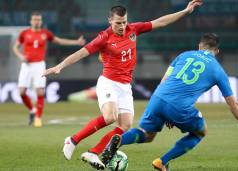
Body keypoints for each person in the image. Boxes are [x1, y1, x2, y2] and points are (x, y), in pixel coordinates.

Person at [43, 1, 203, 170]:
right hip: (108, 83)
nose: (122, 26)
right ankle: (73, 140)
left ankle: (93, 152)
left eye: (124, 22)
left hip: (125, 86)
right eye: (118, 23)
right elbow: (82, 52)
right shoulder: (104, 37)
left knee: (125, 126)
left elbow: (160, 22)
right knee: (110, 117)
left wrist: (185, 11)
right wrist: (59, 66)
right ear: (110, 21)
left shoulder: (133, 30)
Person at [101, 33, 238, 171]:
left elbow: (165, 80)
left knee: (146, 134)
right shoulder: (218, 70)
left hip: (158, 98)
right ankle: (162, 162)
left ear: (200, 46)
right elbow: (234, 104)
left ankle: (120, 139)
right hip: (178, 106)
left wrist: (166, 113)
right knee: (200, 132)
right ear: (217, 51)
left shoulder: (183, 55)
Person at [13, 11, 86, 127]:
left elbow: (60, 41)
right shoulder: (24, 33)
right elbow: (15, 47)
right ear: (31, 21)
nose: (36, 22)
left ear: (41, 21)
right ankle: (32, 110)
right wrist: (21, 56)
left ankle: (38, 118)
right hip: (26, 66)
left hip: (39, 65)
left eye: (38, 20)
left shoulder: (45, 33)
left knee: (40, 92)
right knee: (21, 92)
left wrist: (76, 42)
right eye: (34, 19)